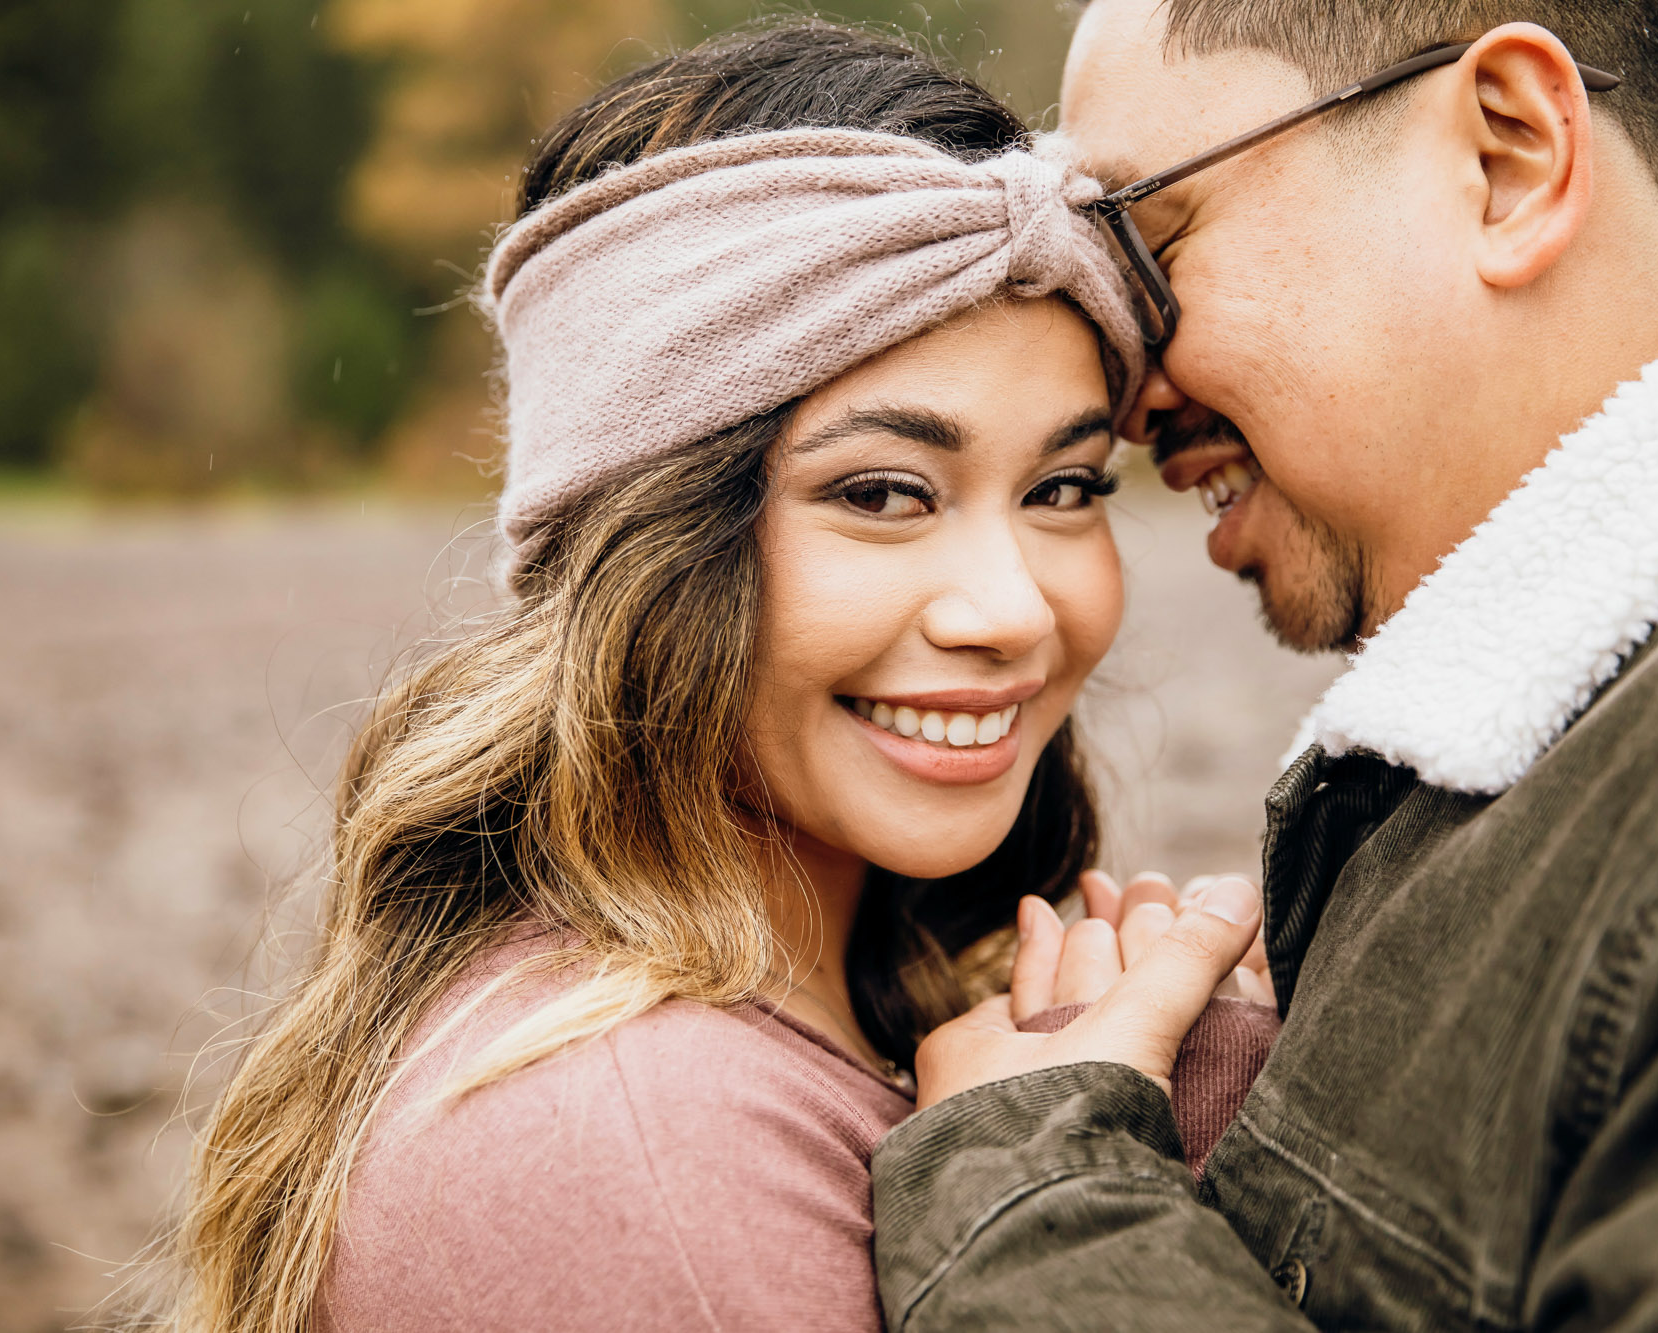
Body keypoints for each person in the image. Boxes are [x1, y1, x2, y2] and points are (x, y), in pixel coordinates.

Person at [156, 23, 1277, 1333]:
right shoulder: (633, 1150)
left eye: (1065, 488)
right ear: (651, 543)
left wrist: (1172, 1125)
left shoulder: (856, 1019)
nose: (1015, 608)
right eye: (882, 492)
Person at [870, 2, 1658, 1329]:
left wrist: (1029, 1184)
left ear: (1510, 156)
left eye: (1148, 243)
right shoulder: (1584, 728)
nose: (1126, 394)